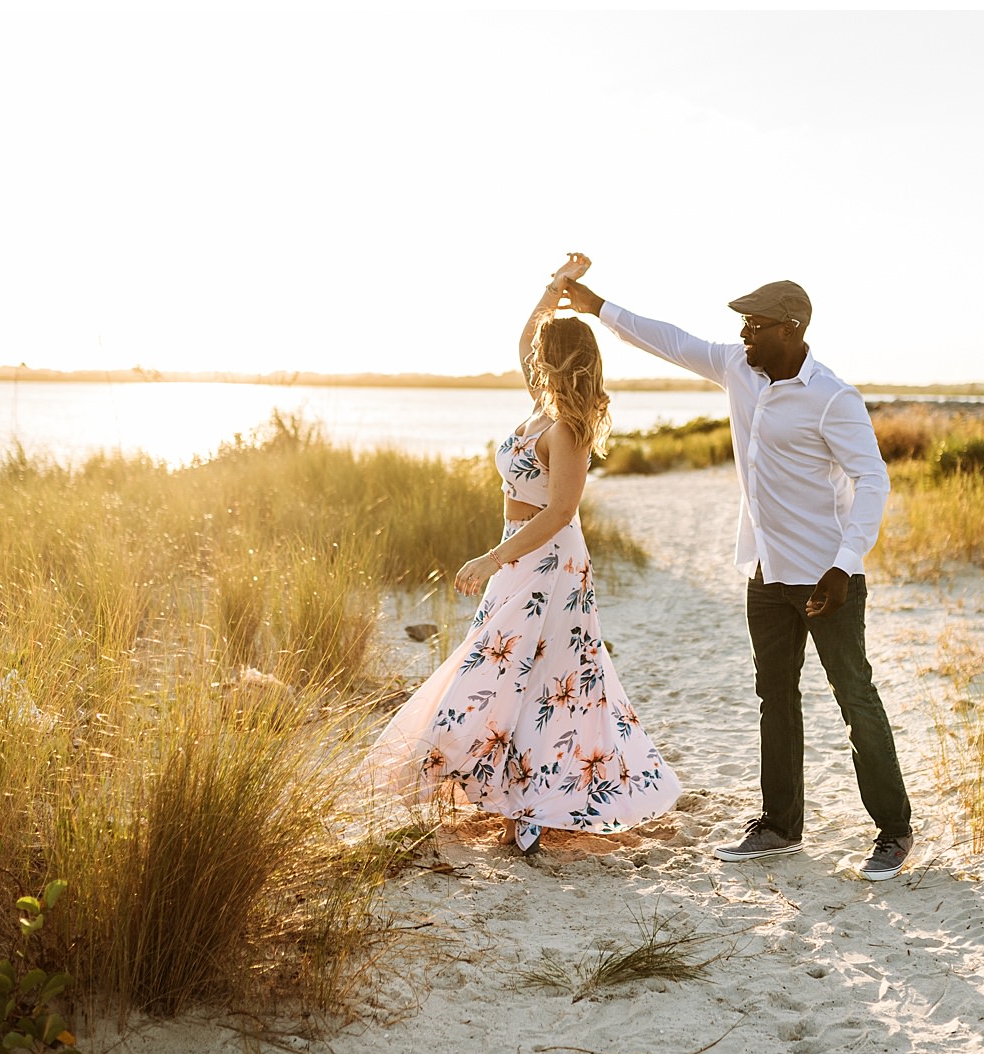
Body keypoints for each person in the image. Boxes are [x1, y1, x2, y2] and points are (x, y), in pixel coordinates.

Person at [562, 273, 914, 881]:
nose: (743, 334)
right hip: (766, 572)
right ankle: (779, 826)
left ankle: (894, 831)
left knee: (854, 697)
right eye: (742, 324)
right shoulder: (737, 368)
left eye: (754, 324)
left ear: (790, 329)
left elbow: (872, 481)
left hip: (827, 577)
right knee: (775, 700)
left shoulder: (834, 397)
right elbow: (668, 339)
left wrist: (846, 564)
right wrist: (597, 307)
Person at [358, 254, 680, 855]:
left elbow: (559, 514)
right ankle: (505, 791)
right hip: (521, 562)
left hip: (550, 564)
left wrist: (489, 558)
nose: (532, 355)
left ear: (558, 362)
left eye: (543, 351)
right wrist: (556, 288)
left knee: (549, 677)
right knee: (509, 670)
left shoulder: (569, 428)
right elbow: (525, 336)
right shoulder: (540, 406)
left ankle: (533, 802)